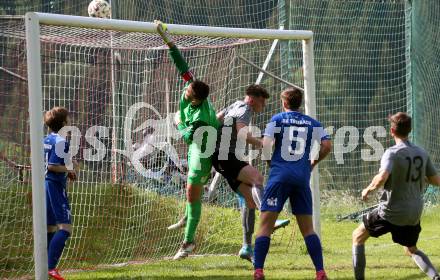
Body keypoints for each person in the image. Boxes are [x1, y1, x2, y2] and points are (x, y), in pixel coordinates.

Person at [168, 85, 290, 262]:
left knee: (249, 199)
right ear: (253, 99)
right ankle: (268, 217)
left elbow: (216, 119)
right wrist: (260, 142)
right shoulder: (245, 109)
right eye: (262, 102)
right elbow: (241, 132)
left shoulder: (235, 105)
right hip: (224, 155)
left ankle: (247, 248)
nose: (263, 107)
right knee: (257, 178)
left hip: (221, 155)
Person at [155, 20, 220, 260]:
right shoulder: (193, 89)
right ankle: (188, 215)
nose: (185, 92)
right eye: (187, 88)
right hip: (195, 148)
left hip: (204, 153)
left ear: (196, 100)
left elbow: (186, 136)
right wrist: (169, 41)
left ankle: (189, 242)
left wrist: (176, 122)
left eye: (188, 93)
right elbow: (181, 64)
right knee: (190, 193)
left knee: (194, 192)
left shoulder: (201, 117)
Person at [253, 88, 331, 280]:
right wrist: (314, 162)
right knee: (308, 229)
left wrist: (269, 162)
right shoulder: (313, 123)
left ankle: (259, 271)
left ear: (284, 103)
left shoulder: (277, 119)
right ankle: (320, 272)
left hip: (279, 177)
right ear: (300, 103)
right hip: (301, 178)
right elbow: (327, 145)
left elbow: (266, 144)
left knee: (265, 227)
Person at [352, 112, 440, 280]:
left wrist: (368, 190)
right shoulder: (422, 152)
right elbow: (436, 180)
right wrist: (422, 178)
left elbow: (382, 177)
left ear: (392, 130)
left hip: (392, 211)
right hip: (414, 212)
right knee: (411, 249)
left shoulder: (392, 153)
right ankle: (435, 277)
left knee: (357, 236)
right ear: (410, 130)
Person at [44, 107, 78, 280]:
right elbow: (52, 166)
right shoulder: (61, 141)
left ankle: (45, 268)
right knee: (65, 228)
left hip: (45, 185)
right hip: (55, 186)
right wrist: (69, 168)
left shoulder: (46, 139)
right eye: (69, 119)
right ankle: (50, 267)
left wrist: (67, 170)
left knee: (50, 227)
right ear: (64, 123)